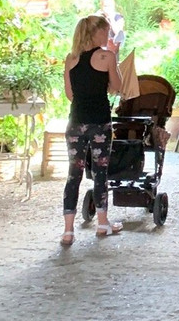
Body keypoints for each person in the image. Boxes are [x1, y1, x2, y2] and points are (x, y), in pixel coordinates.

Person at [60, 14, 123, 245]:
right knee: (100, 173)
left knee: (73, 174)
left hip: (75, 123)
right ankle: (103, 224)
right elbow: (117, 87)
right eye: (106, 32)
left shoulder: (71, 58)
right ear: (95, 33)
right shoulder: (107, 56)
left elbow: (70, 94)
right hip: (99, 123)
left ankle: (68, 231)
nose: (108, 36)